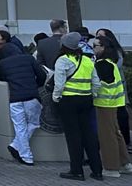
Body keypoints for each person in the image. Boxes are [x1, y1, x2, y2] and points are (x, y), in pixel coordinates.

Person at [0, 28, 44, 165]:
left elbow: (3, 79)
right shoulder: (29, 59)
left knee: (20, 127)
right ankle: (18, 148)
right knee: (34, 123)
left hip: (14, 98)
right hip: (31, 96)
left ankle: (25, 155)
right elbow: (42, 75)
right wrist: (34, 86)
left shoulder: (3, 63)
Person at [52, 32, 102, 181]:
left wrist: (56, 97)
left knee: (73, 137)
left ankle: (77, 171)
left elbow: (59, 83)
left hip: (69, 102)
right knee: (89, 136)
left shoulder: (63, 60)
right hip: (86, 101)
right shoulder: (87, 60)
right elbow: (96, 83)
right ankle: (97, 170)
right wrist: (92, 94)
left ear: (64, 45)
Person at [93, 39, 132, 177]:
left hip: (104, 103)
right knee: (115, 133)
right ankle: (125, 164)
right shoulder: (111, 63)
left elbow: (98, 84)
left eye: (95, 46)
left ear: (103, 48)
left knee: (107, 136)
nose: (92, 48)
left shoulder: (101, 64)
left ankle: (111, 168)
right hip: (113, 103)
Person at [95, 28, 132, 154]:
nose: (97, 37)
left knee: (119, 119)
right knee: (113, 127)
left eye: (100, 36)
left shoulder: (112, 57)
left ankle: (126, 144)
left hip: (113, 94)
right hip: (111, 95)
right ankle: (123, 155)